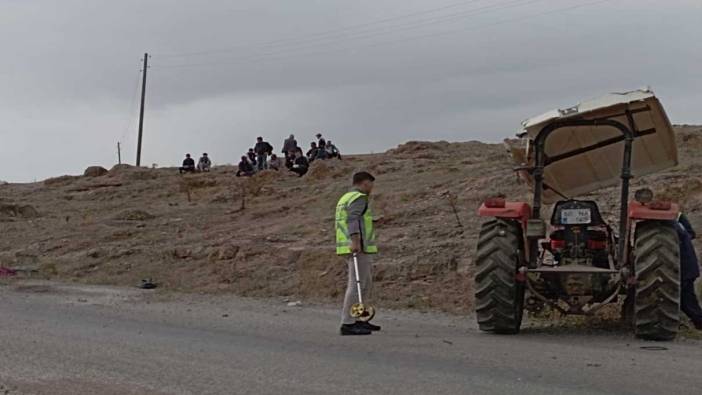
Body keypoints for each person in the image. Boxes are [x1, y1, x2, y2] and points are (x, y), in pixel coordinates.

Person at [336, 171, 380, 336]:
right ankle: (347, 323)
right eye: (370, 184)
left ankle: (360, 318)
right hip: (357, 247)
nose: (372, 188)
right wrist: (355, 241)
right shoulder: (358, 197)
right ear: (364, 183)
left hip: (352, 246)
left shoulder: (345, 198)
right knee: (357, 285)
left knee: (365, 283)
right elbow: (352, 219)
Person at [677, 213, 702, 330]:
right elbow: (691, 234)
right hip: (686, 268)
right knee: (687, 299)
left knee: (686, 299)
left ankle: (699, 322)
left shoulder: (677, 227)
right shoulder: (680, 228)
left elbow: (691, 234)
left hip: (684, 268)